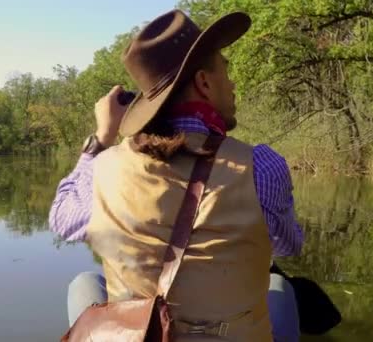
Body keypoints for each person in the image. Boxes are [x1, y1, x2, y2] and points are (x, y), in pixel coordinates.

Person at [49, 9, 304, 342]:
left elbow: (61, 219)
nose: (233, 83)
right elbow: (287, 246)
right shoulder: (262, 166)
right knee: (279, 284)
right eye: (226, 70)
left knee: (85, 283)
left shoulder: (104, 169)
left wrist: (100, 138)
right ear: (204, 82)